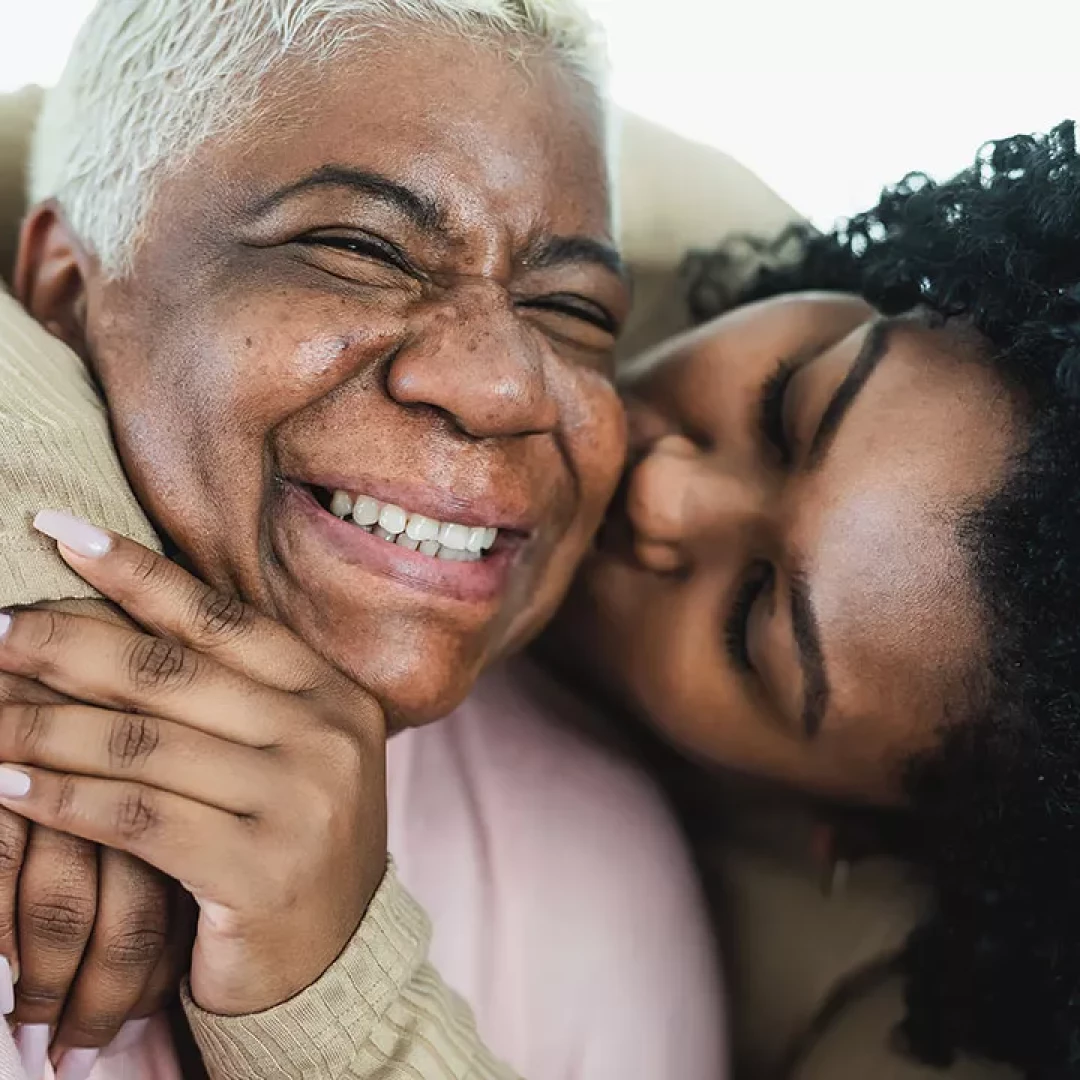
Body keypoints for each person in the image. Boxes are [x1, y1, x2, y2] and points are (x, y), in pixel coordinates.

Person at [14, 119, 1080, 1080]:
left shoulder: (768, 982)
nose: (665, 489)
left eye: (750, 620)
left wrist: (337, 995)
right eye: (785, 408)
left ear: (827, 826)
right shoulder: (617, 208)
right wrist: (56, 541)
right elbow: (98, 152)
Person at [0, 0, 726, 1078]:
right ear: (66, 291)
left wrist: (338, 1007)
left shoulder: (598, 865)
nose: (502, 387)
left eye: (574, 309)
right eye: (358, 247)